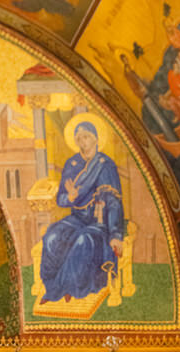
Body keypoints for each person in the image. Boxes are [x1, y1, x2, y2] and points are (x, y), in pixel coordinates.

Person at [39, 120, 124, 304]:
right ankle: (52, 286)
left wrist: (115, 234)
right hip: (77, 219)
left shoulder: (104, 165)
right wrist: (70, 197)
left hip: (99, 221)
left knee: (83, 240)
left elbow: (113, 202)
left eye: (86, 137)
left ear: (96, 139)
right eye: (79, 138)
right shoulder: (72, 164)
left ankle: (67, 289)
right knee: (52, 236)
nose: (83, 142)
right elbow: (61, 200)